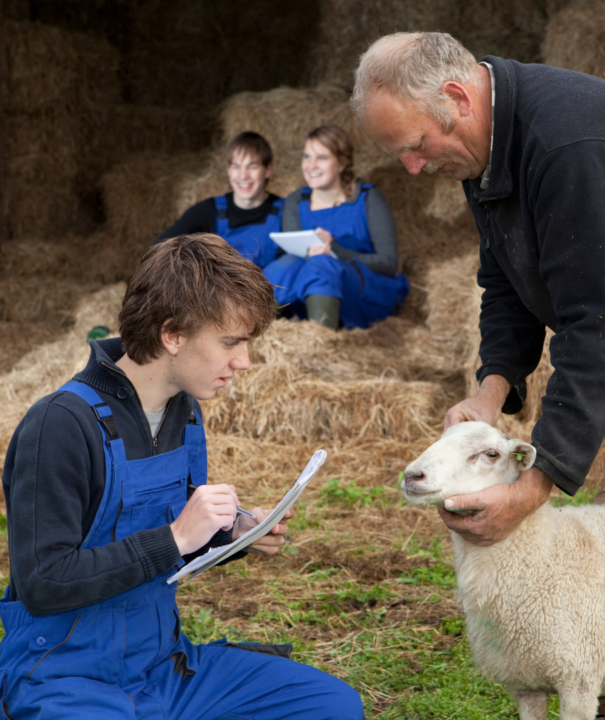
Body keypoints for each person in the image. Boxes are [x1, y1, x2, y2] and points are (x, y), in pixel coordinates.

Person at [353, 31, 605, 720]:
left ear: (457, 99)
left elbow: (593, 324)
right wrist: (492, 388)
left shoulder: (568, 145)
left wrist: (534, 484)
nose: (412, 166)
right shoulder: (484, 155)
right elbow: (506, 279)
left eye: (415, 144)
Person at [0, 233, 364, 720]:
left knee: (332, 705)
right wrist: (175, 536)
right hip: (64, 676)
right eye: (231, 342)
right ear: (172, 335)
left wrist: (233, 534)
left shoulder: (184, 413)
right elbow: (43, 582)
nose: (244, 361)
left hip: (164, 667)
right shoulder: (60, 424)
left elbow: (174, 550)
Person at [263, 125, 409, 330]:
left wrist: (335, 251)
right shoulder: (295, 201)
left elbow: (389, 263)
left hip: (362, 292)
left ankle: (321, 340)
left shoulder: (368, 199)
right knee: (288, 263)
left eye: (322, 158)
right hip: (308, 291)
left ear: (341, 164)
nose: (311, 166)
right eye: (307, 157)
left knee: (321, 264)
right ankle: (252, 330)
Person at [156, 132, 282, 270]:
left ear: (268, 169)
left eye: (252, 167)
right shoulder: (209, 210)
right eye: (236, 166)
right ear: (228, 170)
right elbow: (160, 248)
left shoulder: (287, 211)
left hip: (271, 284)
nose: (243, 176)